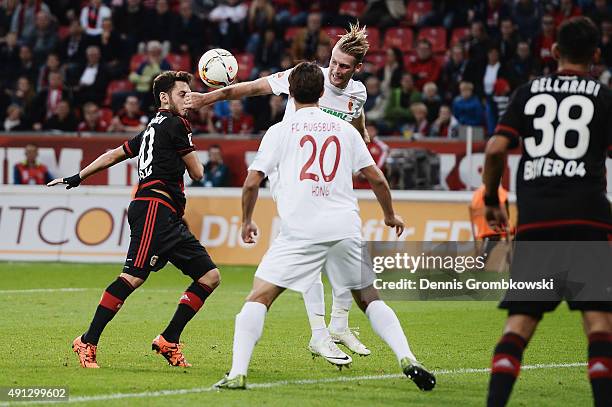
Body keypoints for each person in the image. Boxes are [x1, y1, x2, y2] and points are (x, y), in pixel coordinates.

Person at [213, 62, 435, 391]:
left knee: (259, 297)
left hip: (300, 230)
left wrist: (246, 221)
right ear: (322, 93)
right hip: (344, 226)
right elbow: (376, 177)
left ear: (289, 92)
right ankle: (407, 357)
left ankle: (237, 373)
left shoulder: (278, 131)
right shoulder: (345, 130)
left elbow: (251, 182)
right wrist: (390, 215)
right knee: (370, 298)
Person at [185, 23, 373, 360]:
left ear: (357, 69)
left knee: (349, 249)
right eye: (332, 62)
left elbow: (356, 115)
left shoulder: (357, 93)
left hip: (331, 180)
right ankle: (320, 334)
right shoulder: (306, 78)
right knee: (313, 254)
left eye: (343, 66)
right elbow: (245, 89)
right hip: (293, 182)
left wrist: (362, 133)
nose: (335, 70)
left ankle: (338, 326)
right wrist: (205, 99)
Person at [47, 71, 221, 369]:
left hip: (165, 213)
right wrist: (187, 149)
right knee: (132, 277)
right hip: (154, 206)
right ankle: (86, 341)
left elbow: (115, 154)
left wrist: (79, 176)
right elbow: (198, 174)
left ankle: (169, 339)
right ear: (164, 98)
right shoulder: (177, 124)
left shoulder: (151, 129)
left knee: (209, 276)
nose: (188, 99)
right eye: (182, 94)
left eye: (189, 94)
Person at [483, 17, 612, 406]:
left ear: (554, 52)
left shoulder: (527, 92)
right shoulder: (604, 96)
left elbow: (494, 149)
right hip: (589, 220)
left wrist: (492, 200)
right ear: (596, 55)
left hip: (538, 221)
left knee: (519, 324)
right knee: (600, 325)